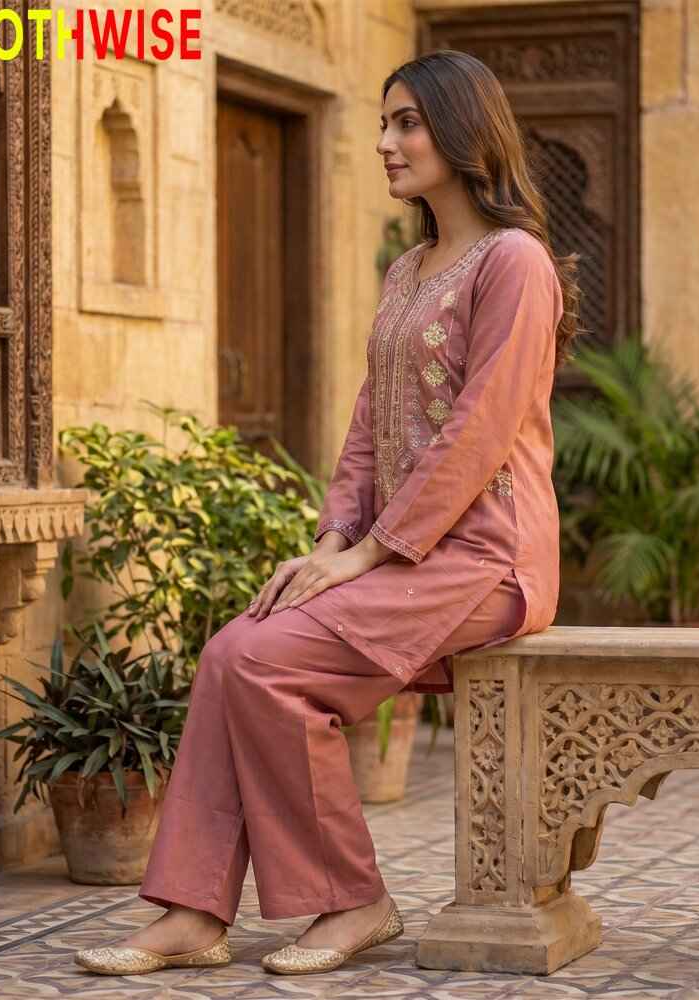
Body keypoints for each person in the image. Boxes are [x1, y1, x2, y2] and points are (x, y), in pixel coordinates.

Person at [74, 48, 581, 978]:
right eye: (383, 124)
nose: (386, 142)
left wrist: (367, 558)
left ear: (464, 131)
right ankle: (191, 910)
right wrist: (333, 539)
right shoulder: (408, 270)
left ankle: (355, 901)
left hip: (487, 558)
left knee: (264, 662)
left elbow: (479, 431)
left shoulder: (515, 262)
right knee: (234, 652)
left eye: (406, 123)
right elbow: (366, 426)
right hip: (397, 558)